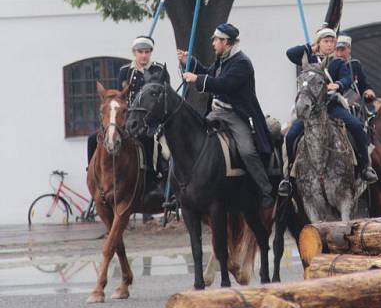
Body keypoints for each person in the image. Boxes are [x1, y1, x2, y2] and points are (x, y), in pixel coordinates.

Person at [178, 22, 275, 210]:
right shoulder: (223, 59)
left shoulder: (242, 63)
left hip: (235, 115)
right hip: (215, 112)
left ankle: (266, 190)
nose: (213, 43)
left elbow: (224, 84)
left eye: (216, 40)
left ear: (227, 43)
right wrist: (188, 62)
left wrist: (196, 79)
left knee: (247, 150)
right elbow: (209, 73)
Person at [280, 27, 378, 193]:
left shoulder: (337, 62)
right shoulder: (308, 58)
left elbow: (346, 78)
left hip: (331, 106)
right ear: (318, 43)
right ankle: (287, 176)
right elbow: (290, 53)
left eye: (332, 41)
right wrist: (310, 48)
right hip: (311, 111)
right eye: (326, 41)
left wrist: (338, 84)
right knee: (290, 136)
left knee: (356, 126)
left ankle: (364, 167)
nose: (330, 44)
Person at [87, 35, 169, 190]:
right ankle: (94, 174)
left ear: (150, 52)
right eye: (140, 52)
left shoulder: (158, 70)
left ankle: (153, 177)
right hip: (128, 118)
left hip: (150, 120)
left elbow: (164, 97)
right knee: (93, 139)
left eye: (146, 52)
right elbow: (120, 97)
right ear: (134, 53)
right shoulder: (125, 71)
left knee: (149, 140)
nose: (143, 55)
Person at [335, 35, 376, 111]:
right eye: (337, 50)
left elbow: (362, 85)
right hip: (337, 106)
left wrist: (368, 91)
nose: (339, 54)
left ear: (349, 49)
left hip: (354, 106)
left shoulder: (355, 64)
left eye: (342, 50)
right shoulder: (331, 66)